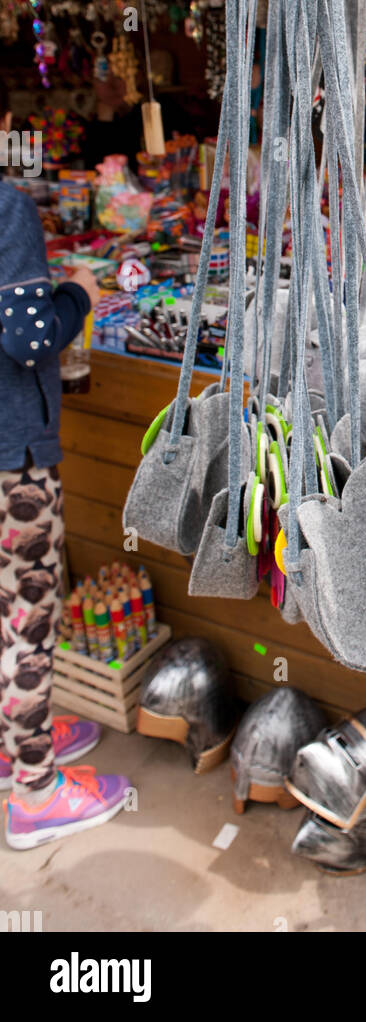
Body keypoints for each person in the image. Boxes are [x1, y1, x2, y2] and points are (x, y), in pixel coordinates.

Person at [0, 90, 130, 849]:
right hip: (13, 454)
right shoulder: (8, 209)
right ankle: (36, 793)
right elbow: (24, 337)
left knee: (5, 613)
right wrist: (77, 294)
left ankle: (20, 741)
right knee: (32, 621)